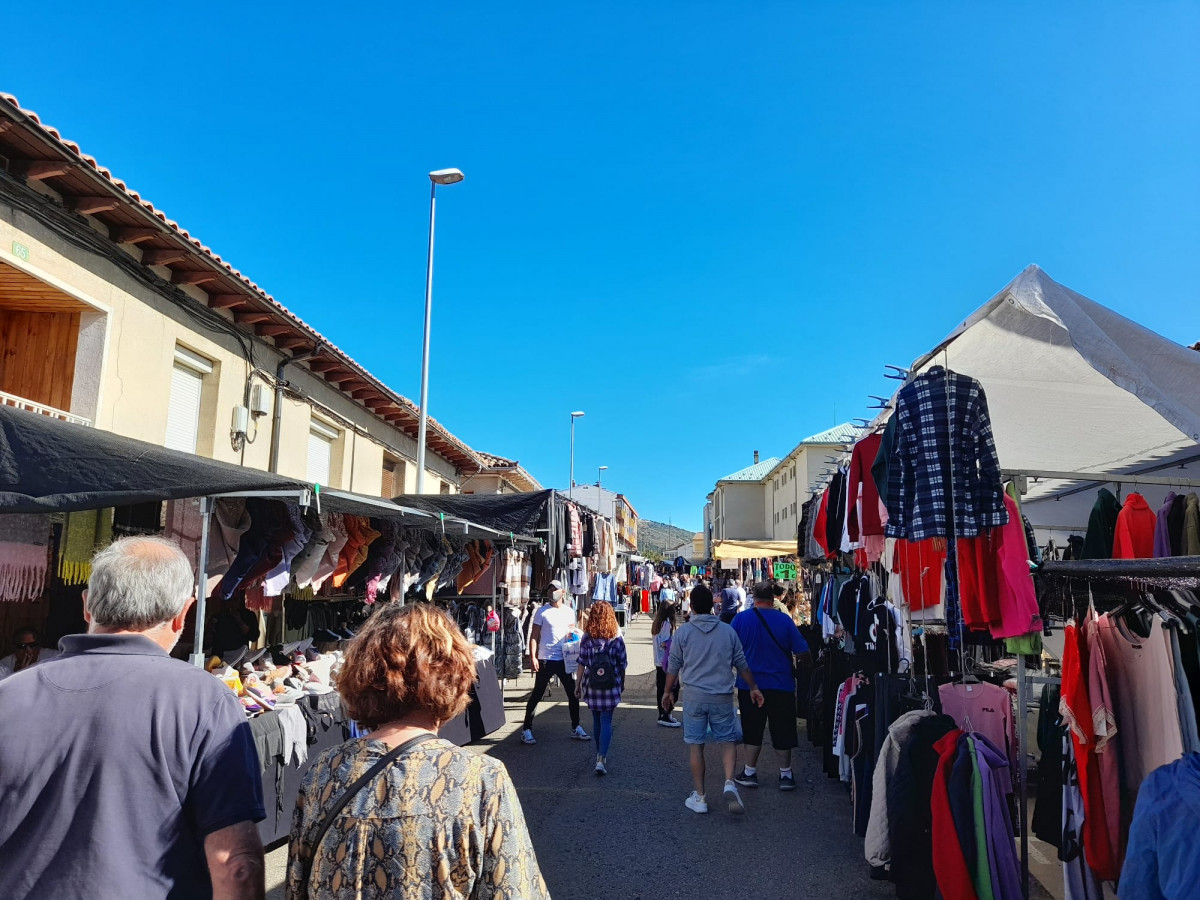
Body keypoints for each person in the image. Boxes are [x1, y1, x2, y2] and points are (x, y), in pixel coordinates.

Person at [0, 536, 266, 900]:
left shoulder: (9, 695)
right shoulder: (204, 700)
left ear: (87, 606)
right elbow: (235, 863)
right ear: (183, 615)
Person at [287, 603, 548, 899]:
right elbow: (513, 888)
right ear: (455, 677)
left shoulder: (325, 772)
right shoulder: (479, 780)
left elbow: (297, 885)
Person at [662, 584, 764, 815]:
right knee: (727, 741)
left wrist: (668, 692)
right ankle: (729, 782)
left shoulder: (684, 633)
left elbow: (673, 666)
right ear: (713, 605)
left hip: (695, 697)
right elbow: (742, 663)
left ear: (693, 606)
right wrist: (754, 687)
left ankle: (700, 797)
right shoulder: (728, 632)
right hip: (722, 696)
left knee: (696, 746)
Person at [732, 582, 810, 791]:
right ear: (773, 598)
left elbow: (730, 650)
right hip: (781, 684)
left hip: (750, 685)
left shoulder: (741, 619)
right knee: (783, 729)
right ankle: (785, 774)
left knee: (752, 729)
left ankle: (749, 772)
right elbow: (802, 650)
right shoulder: (784, 620)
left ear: (754, 598)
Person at [521, 580, 590, 745]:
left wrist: (575, 648)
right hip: (546, 659)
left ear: (563, 591)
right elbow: (534, 635)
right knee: (537, 693)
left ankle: (576, 727)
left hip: (564, 660)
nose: (553, 591)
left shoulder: (568, 611)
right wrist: (533, 657)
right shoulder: (542, 612)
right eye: (550, 588)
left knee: (573, 693)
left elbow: (571, 633)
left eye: (555, 589)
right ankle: (526, 729)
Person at [573, 600, 629, 775]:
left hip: (592, 684)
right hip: (610, 685)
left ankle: (599, 754)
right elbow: (622, 664)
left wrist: (578, 684)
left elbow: (582, 662)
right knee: (606, 721)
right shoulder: (616, 637)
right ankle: (601, 758)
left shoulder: (587, 637)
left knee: (597, 721)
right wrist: (623, 683)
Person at [652, 601, 681, 727]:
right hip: (666, 661)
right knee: (673, 687)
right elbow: (664, 643)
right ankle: (666, 712)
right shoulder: (666, 624)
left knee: (661, 688)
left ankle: (663, 713)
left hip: (659, 661)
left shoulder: (657, 624)